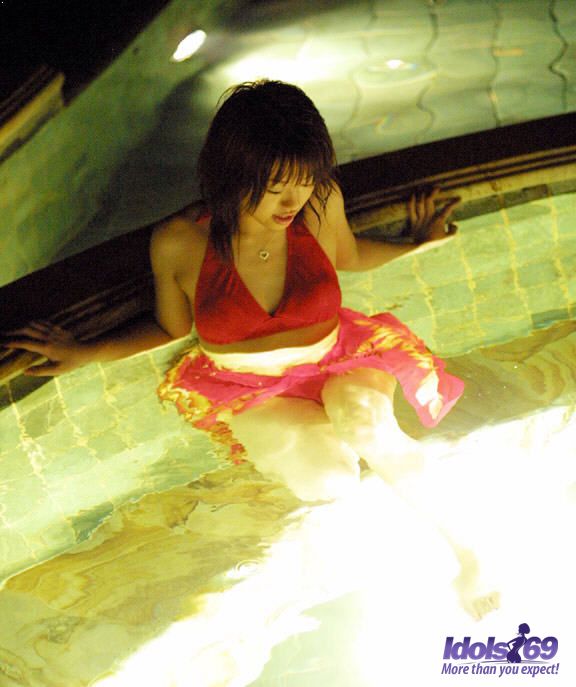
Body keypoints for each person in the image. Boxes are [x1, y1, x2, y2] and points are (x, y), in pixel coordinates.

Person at [5, 81, 498, 616]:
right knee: (327, 482)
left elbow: (348, 256)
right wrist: (86, 352)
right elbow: (170, 327)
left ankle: (468, 553)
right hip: (250, 388)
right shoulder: (182, 241)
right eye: (277, 187)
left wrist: (417, 243)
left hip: (340, 359)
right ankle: (356, 485)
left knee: (366, 424)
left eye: (305, 182)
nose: (293, 203)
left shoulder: (317, 205)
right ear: (234, 172)